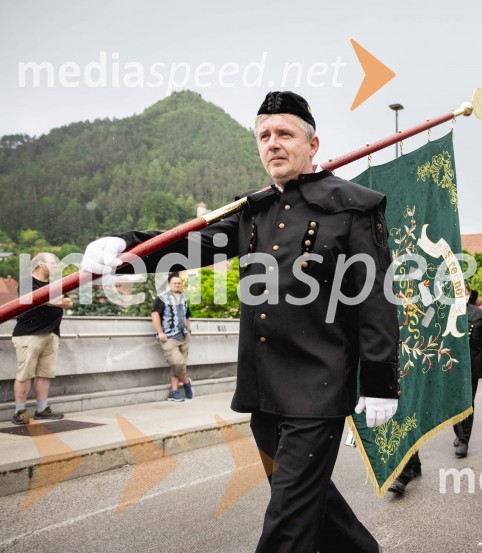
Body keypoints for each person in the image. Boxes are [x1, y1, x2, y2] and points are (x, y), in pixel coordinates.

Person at [82, 91, 399, 553]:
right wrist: (125, 248)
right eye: (264, 135)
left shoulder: (351, 207)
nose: (273, 143)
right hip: (264, 387)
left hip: (319, 388)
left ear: (313, 145)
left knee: (288, 520)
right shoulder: (253, 211)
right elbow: (191, 246)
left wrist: (380, 379)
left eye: (285, 134)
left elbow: (374, 298)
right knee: (311, 503)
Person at [11, 253, 73, 425]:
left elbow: (69, 303)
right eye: (53, 263)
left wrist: (47, 300)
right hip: (30, 334)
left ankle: (41, 409)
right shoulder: (26, 282)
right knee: (25, 373)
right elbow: (33, 301)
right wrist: (51, 300)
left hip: (52, 333)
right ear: (40, 264)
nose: (55, 267)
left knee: (45, 373)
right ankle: (19, 411)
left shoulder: (56, 284)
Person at [452, 283, 482, 458]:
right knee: (454, 403)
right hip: (451, 366)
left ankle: (464, 440)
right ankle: (459, 433)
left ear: (468, 294)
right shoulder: (445, 313)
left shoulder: (479, 315)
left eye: (463, 292)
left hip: (471, 366)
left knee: (467, 402)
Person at [150, 273, 193, 402]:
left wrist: (189, 329)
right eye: (174, 283)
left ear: (182, 285)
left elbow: (187, 316)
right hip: (169, 337)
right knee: (178, 363)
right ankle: (186, 382)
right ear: (169, 285)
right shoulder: (162, 298)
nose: (177, 284)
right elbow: (155, 314)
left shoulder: (184, 299)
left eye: (179, 283)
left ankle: (174, 392)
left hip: (184, 336)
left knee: (178, 366)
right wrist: (160, 332)